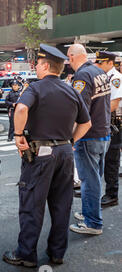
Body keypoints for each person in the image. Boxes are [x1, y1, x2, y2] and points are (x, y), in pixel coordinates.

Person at [3, 44, 92, 268]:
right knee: (62, 205)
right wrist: (71, 141)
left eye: (38, 64)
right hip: (64, 152)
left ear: (44, 65)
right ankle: (57, 252)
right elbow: (86, 123)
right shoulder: (71, 89)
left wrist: (17, 135)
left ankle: (26, 254)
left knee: (33, 203)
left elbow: (22, 109)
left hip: (40, 153)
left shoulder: (36, 88)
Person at [67, 44, 111, 235]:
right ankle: (89, 213)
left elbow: (79, 109)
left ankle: (93, 222)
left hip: (88, 136)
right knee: (95, 178)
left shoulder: (82, 76)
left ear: (72, 57)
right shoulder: (99, 71)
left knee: (89, 180)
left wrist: (73, 138)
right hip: (104, 132)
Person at [94, 51, 122, 207]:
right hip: (105, 122)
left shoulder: (115, 78)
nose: (99, 65)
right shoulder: (104, 77)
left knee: (111, 160)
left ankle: (112, 194)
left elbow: (114, 104)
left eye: (101, 63)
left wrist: (96, 116)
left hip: (114, 123)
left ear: (110, 63)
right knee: (102, 159)